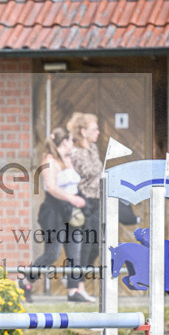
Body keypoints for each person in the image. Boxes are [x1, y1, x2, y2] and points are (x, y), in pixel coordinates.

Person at [19, 128, 87, 303]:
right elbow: (51, 187)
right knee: (52, 254)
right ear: (64, 142)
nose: (73, 144)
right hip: (53, 212)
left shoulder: (68, 159)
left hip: (71, 212)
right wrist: (72, 198)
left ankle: (73, 291)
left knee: (75, 253)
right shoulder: (49, 160)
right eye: (71, 140)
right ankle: (25, 281)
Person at [66, 113, 102, 304]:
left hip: (97, 201)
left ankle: (79, 283)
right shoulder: (75, 152)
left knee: (95, 246)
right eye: (94, 128)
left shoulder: (93, 149)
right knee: (85, 246)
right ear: (83, 131)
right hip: (83, 201)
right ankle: (77, 287)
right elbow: (82, 175)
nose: (98, 132)